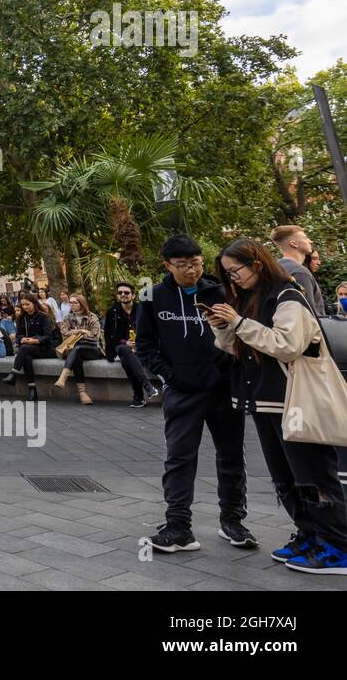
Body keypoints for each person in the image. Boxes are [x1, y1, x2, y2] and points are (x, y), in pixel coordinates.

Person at [206, 238, 347, 573]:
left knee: (313, 477)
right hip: (263, 400)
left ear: (256, 264)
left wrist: (239, 323)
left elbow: (287, 345)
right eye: (227, 276)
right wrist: (225, 328)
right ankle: (310, 534)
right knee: (286, 478)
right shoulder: (249, 300)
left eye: (235, 271)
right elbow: (237, 348)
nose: (233, 279)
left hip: (295, 400)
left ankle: (339, 546)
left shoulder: (287, 297)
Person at [137, 235, 253, 553]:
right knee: (179, 458)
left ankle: (233, 521)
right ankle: (179, 527)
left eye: (197, 263)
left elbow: (241, 334)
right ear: (167, 265)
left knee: (231, 456)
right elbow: (144, 345)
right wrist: (169, 375)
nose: (191, 270)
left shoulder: (223, 292)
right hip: (182, 391)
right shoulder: (152, 296)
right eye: (183, 265)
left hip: (223, 388)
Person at [104, 281, 159, 408]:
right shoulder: (112, 312)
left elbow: (153, 330)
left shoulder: (142, 309)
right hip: (123, 347)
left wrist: (140, 343)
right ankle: (148, 386)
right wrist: (126, 343)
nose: (123, 295)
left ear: (133, 295)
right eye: (120, 292)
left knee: (125, 361)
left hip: (142, 348)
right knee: (123, 349)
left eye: (126, 292)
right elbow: (109, 335)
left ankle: (139, 397)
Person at [0, 292, 52, 402]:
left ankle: (14, 373)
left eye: (27, 304)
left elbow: (48, 337)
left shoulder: (43, 316)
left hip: (43, 348)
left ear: (34, 303)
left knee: (24, 349)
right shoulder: (21, 318)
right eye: (23, 305)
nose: (25, 307)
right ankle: (32, 390)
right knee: (26, 357)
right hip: (27, 348)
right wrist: (22, 339)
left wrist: (35, 340)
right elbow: (18, 335)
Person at [53, 293, 101, 405]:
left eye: (75, 302)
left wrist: (75, 334)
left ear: (82, 303)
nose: (72, 304)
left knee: (77, 349)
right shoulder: (67, 318)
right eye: (71, 302)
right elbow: (64, 335)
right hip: (75, 350)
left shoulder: (92, 317)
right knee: (77, 356)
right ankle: (82, 393)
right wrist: (82, 331)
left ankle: (63, 377)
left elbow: (95, 336)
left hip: (92, 349)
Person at [270, 225, 326, 315]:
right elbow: (308, 314)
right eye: (305, 237)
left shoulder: (275, 267)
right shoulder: (300, 272)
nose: (310, 241)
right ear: (294, 244)